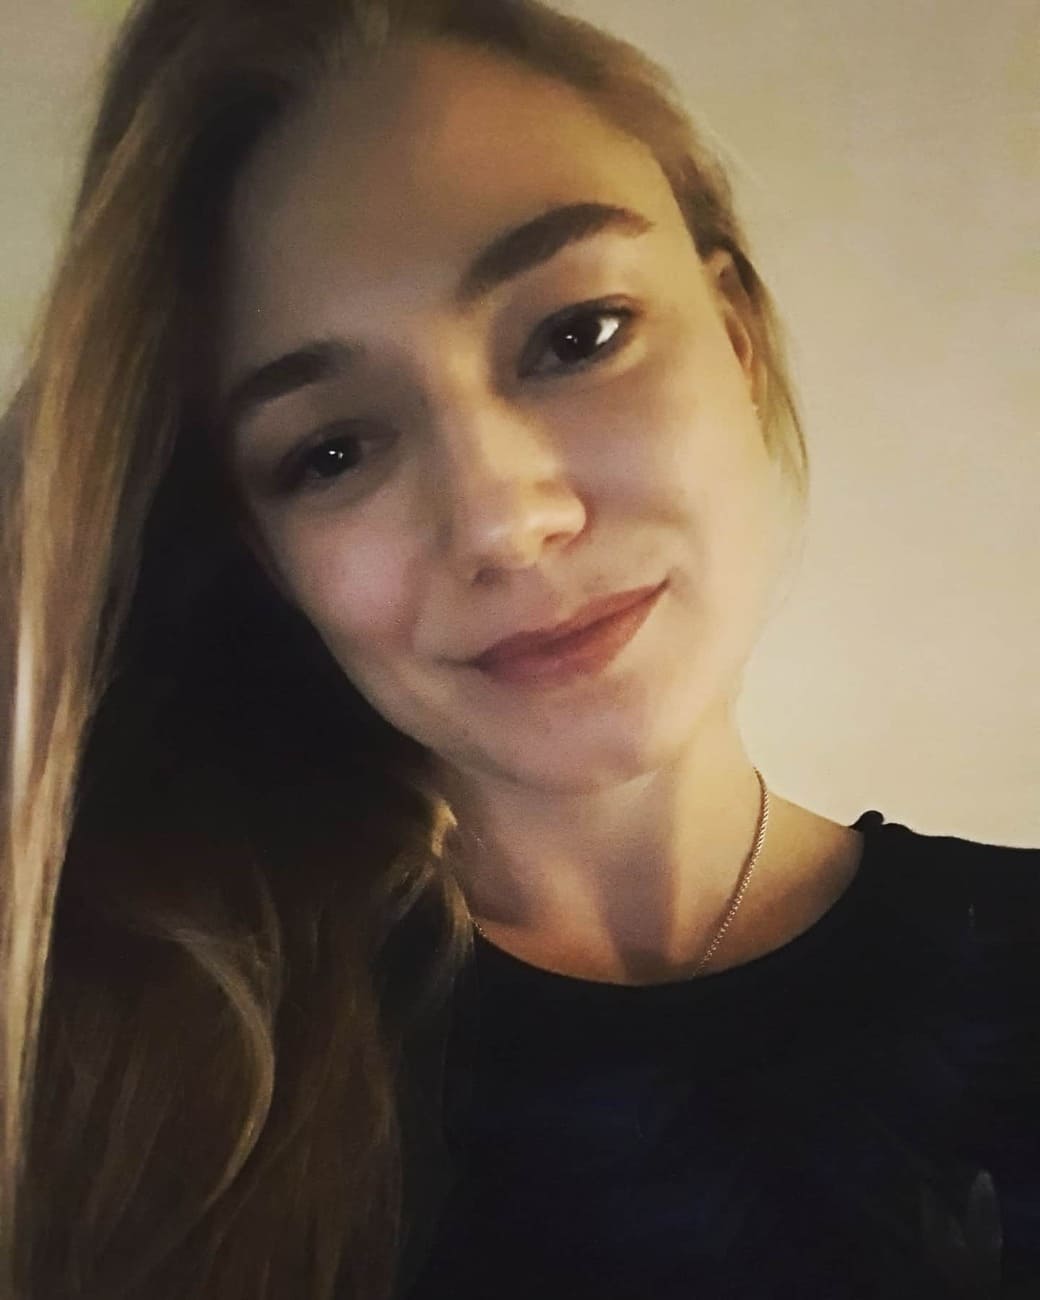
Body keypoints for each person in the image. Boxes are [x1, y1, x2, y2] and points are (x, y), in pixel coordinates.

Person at [0, 0, 1036, 1296]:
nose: (503, 520)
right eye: (332, 450)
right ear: (261, 550)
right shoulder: (124, 1100)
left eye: (575, 336)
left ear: (734, 336)